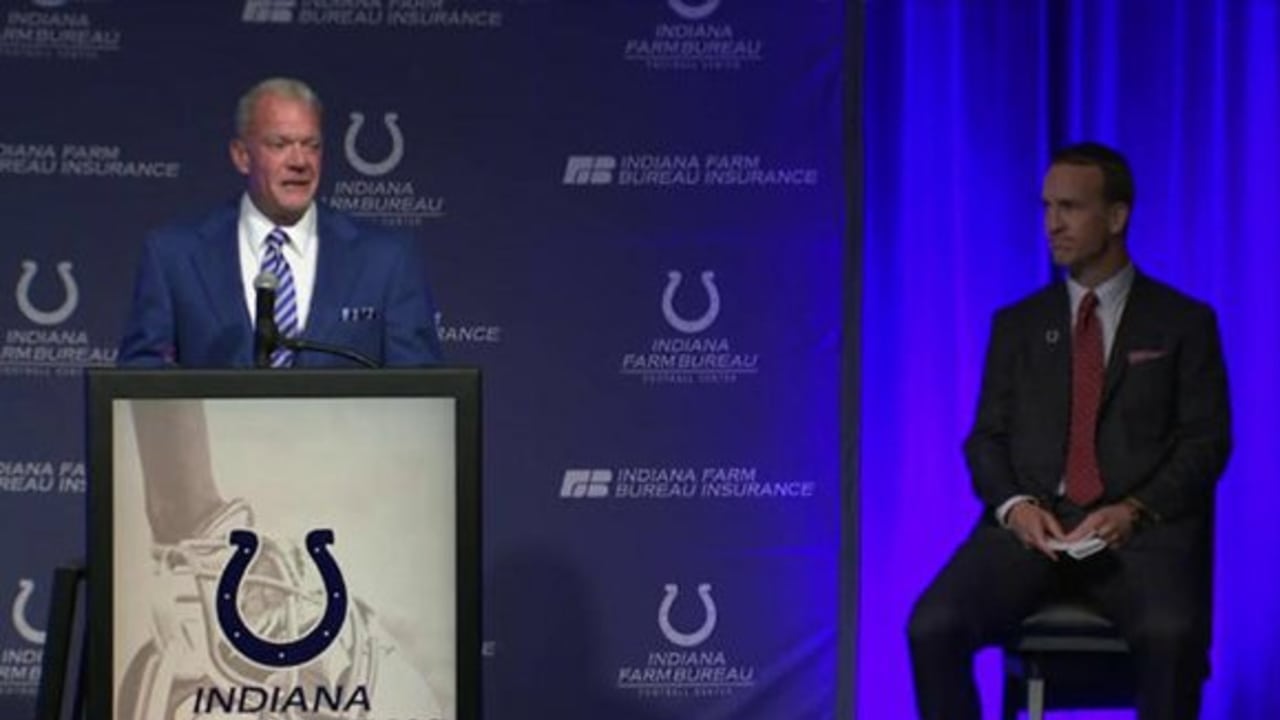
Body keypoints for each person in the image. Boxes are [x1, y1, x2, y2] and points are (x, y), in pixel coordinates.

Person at [907, 142, 1231, 720]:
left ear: (1116, 216)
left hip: (1138, 540)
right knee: (933, 626)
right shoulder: (1018, 325)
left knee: (1172, 636)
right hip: (1034, 534)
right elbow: (986, 439)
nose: (1053, 224)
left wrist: (1135, 509)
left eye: (1071, 208)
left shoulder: (1184, 322)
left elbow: (1206, 443)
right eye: (1047, 207)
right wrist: (1015, 508)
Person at [118, 76, 441, 368]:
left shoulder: (385, 259)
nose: (299, 162)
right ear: (242, 156)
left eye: (311, 146)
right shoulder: (175, 255)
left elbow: (420, 387)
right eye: (280, 145)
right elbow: (140, 378)